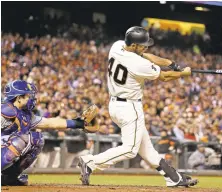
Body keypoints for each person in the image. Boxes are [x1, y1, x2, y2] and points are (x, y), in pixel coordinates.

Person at [79, 26, 198, 187]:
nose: (146, 47)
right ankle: (90, 162)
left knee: (146, 149)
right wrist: (183, 74)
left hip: (115, 105)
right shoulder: (137, 63)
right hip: (130, 108)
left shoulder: (117, 46)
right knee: (130, 150)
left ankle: (173, 177)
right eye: (142, 45)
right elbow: (164, 77)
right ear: (134, 45)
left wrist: (171, 63)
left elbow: (146, 56)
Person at [1, 80, 99, 186]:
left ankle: (9, 177)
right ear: (18, 97)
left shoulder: (24, 114)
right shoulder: (5, 110)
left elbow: (49, 123)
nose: (31, 98)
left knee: (37, 139)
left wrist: (78, 123)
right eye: (27, 95)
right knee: (23, 139)